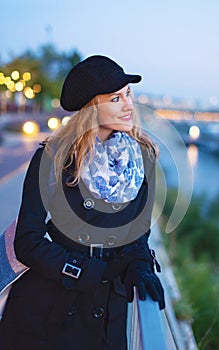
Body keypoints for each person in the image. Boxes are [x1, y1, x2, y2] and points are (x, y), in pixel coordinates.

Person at [0, 55, 165, 350]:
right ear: (92, 108)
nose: (128, 105)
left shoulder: (144, 158)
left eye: (128, 94)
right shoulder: (52, 157)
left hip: (107, 312)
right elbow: (27, 241)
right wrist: (85, 270)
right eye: (116, 98)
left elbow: (138, 231)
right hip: (48, 310)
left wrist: (141, 266)